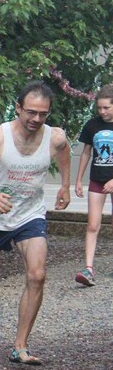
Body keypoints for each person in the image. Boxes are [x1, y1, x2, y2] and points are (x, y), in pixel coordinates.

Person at [0, 81, 70, 365]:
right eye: (30, 112)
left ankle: (20, 345)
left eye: (43, 114)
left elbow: (65, 150)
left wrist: (67, 185)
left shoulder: (54, 137)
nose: (36, 119)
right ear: (18, 108)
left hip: (30, 215)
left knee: (37, 275)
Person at [74, 83, 113, 286]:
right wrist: (79, 180)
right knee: (92, 224)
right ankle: (88, 269)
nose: (102, 111)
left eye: (106, 107)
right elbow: (86, 153)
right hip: (97, 179)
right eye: (99, 108)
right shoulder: (92, 125)